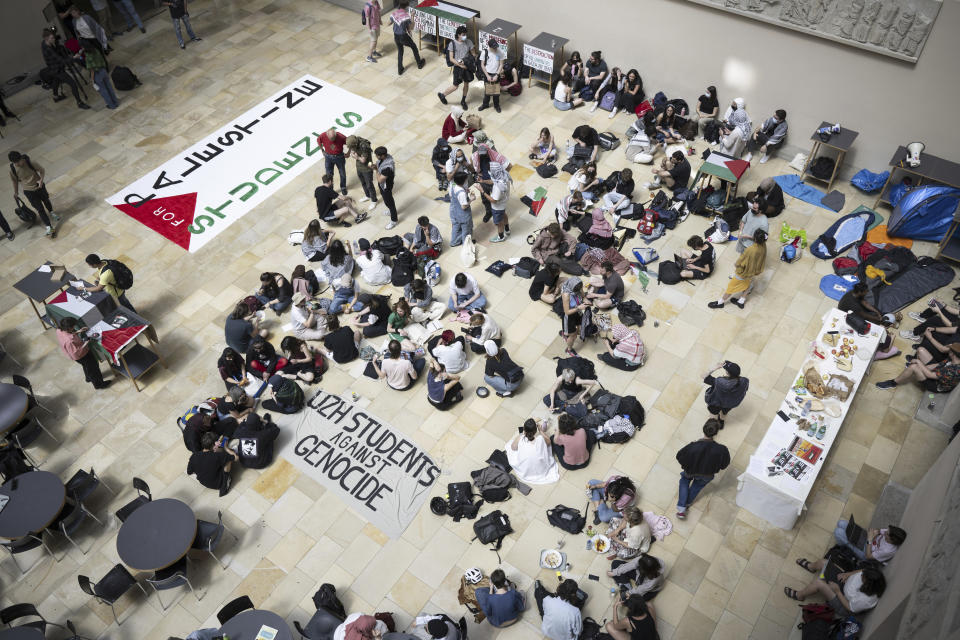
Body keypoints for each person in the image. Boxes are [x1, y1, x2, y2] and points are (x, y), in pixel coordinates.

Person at [675, 418, 730, 519]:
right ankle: (686, 504)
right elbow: (724, 465)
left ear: (703, 429)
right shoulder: (722, 450)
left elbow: (679, 456)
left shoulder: (692, 446)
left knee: (684, 481)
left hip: (690, 471)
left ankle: (681, 509)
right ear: (716, 433)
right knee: (696, 487)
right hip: (707, 475)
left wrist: (686, 465)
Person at [784, 564, 886, 617]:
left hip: (844, 605)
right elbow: (861, 571)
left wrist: (837, 591)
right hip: (844, 583)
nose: (861, 575)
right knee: (824, 563)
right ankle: (811, 567)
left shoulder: (866, 599)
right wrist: (847, 574)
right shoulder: (873, 576)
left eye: (863, 577)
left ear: (868, 583)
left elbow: (850, 608)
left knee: (819, 583)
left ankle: (799, 595)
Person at [709, 229, 767, 309]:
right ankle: (741, 301)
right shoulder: (763, 246)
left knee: (731, 287)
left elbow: (741, 261)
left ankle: (720, 302)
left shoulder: (751, 249)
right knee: (748, 285)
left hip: (743, 273)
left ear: (755, 238)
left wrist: (737, 265)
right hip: (754, 271)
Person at [804, 523, 906, 566]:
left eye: (887, 534)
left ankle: (844, 545)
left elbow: (868, 556)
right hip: (868, 540)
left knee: (838, 532)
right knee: (842, 523)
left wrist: (870, 540)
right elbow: (879, 531)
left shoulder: (888, 550)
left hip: (866, 552)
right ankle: (846, 541)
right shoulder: (889, 534)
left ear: (892, 540)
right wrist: (873, 533)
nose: (885, 533)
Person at [9, 150, 60, 236]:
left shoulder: (30, 162)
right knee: (40, 209)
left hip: (39, 187)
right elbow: (15, 181)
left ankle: (51, 212)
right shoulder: (13, 170)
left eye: (18, 161)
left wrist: (41, 180)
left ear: (21, 158)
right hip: (29, 191)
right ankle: (49, 226)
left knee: (46, 200)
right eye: (15, 163)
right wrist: (16, 192)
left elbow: (42, 170)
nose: (18, 164)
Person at [40, 29, 90, 110]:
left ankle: (56, 97)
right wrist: (74, 57)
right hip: (57, 69)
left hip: (53, 68)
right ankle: (79, 102)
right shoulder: (48, 49)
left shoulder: (44, 43)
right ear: (46, 38)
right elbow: (61, 60)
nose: (54, 39)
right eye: (52, 38)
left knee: (56, 80)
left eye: (54, 37)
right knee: (73, 84)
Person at [56, 317, 111, 389]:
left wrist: (78, 331)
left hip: (76, 355)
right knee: (93, 368)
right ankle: (99, 384)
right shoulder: (69, 341)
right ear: (69, 328)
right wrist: (86, 343)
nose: (74, 327)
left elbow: (69, 334)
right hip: (81, 355)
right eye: (73, 327)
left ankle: (88, 378)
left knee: (86, 367)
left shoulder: (59, 330)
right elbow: (76, 352)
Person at [876, 347, 960, 391]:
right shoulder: (952, 359)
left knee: (913, 367)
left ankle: (893, 383)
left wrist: (918, 364)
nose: (949, 350)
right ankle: (911, 370)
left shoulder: (952, 371)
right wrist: (922, 367)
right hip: (937, 372)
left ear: (954, 354)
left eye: (951, 350)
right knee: (921, 350)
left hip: (935, 384)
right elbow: (938, 365)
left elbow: (930, 375)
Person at [506, 418, 559, 484]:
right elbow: (548, 442)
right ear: (535, 431)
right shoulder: (540, 439)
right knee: (546, 447)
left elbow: (513, 448)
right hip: (541, 470)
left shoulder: (521, 439)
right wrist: (541, 431)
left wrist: (522, 434)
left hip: (525, 471)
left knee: (512, 449)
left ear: (524, 430)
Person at [187, 431, 237, 496]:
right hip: (217, 483)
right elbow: (236, 458)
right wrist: (226, 448)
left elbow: (189, 472)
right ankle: (226, 482)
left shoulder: (194, 456)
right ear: (213, 445)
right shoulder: (218, 456)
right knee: (228, 460)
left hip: (203, 482)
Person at [438, 25, 475, 108]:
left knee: (466, 84)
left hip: (467, 66)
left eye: (465, 34)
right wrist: (460, 65)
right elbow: (451, 59)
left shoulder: (469, 42)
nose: (465, 36)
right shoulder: (452, 44)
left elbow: (473, 54)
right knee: (455, 86)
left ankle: (463, 101)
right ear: (458, 35)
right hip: (458, 67)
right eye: (463, 34)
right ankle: (442, 95)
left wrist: (470, 61)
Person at [345, 134, 379, 211]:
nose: (351, 148)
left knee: (369, 185)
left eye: (351, 147)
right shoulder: (354, 145)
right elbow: (353, 153)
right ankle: (367, 195)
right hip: (359, 167)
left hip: (367, 168)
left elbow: (363, 160)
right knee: (363, 183)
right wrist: (355, 155)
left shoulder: (364, 146)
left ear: (355, 144)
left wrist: (356, 157)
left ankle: (374, 200)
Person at [389, 0, 423, 75]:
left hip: (396, 36)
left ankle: (400, 69)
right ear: (407, 7)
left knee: (400, 51)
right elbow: (411, 27)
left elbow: (389, 23)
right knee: (414, 47)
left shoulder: (394, 13)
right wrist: (413, 16)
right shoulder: (406, 16)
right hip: (403, 36)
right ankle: (419, 64)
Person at [82, 41, 118, 109]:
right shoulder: (96, 50)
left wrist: (92, 80)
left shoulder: (88, 56)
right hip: (103, 70)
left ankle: (111, 105)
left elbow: (92, 69)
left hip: (97, 74)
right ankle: (115, 102)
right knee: (109, 87)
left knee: (104, 91)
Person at [560, 278, 590, 356]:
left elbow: (583, 297)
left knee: (580, 328)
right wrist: (579, 308)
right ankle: (569, 349)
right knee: (573, 335)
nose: (580, 290)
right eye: (577, 290)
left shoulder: (578, 286)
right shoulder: (566, 295)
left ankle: (566, 333)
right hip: (569, 316)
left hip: (577, 311)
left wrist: (586, 301)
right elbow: (567, 312)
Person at [372, 146, 399, 230]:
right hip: (383, 186)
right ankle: (391, 211)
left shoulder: (387, 168)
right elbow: (378, 164)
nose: (376, 157)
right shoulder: (384, 158)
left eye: (377, 156)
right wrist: (374, 166)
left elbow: (380, 180)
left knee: (390, 203)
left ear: (383, 155)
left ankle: (394, 220)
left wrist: (376, 170)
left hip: (386, 186)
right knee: (386, 200)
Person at [481, 164, 510, 242]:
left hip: (497, 207)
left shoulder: (498, 187)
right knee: (504, 214)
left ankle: (501, 237)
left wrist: (482, 192)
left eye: (490, 172)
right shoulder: (504, 176)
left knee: (499, 223)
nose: (489, 173)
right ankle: (507, 229)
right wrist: (483, 181)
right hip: (503, 204)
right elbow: (494, 181)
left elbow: (493, 200)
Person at [318, 127, 349, 196]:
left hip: (339, 157)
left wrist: (349, 152)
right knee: (329, 175)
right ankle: (330, 189)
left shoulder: (341, 136)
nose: (333, 140)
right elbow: (318, 141)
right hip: (328, 157)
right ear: (327, 135)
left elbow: (350, 143)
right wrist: (322, 150)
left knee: (342, 173)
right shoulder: (323, 136)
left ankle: (343, 187)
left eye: (334, 138)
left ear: (336, 134)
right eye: (331, 139)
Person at [448, 173, 476, 247]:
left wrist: (465, 190)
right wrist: (471, 199)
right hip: (463, 215)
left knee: (456, 227)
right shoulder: (462, 194)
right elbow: (464, 206)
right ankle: (466, 244)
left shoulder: (454, 184)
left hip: (454, 211)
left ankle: (454, 242)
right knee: (466, 230)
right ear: (463, 181)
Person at [478, 40, 505, 113]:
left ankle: (496, 105)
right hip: (488, 73)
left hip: (496, 73)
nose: (495, 49)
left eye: (496, 47)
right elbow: (482, 65)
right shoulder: (485, 52)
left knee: (496, 92)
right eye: (494, 47)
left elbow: (501, 64)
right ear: (489, 47)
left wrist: (497, 75)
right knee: (487, 92)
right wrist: (487, 76)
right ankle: (485, 104)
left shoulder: (500, 52)